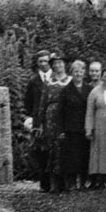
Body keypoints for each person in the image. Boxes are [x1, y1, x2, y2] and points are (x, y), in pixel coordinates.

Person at [39, 51, 72, 193]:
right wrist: (41, 123)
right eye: (55, 63)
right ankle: (53, 184)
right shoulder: (48, 83)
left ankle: (67, 183)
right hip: (51, 119)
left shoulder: (70, 81)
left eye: (60, 62)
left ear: (64, 64)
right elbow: (42, 104)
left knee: (66, 148)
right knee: (52, 150)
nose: (58, 65)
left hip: (66, 117)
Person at [57, 60, 92, 191]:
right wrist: (61, 130)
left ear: (84, 73)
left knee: (84, 155)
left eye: (80, 71)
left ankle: (83, 182)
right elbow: (60, 111)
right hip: (70, 128)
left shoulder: (89, 89)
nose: (78, 74)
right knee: (71, 157)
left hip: (85, 127)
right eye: (76, 71)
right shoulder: (66, 90)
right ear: (72, 73)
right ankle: (71, 183)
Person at [24, 49, 52, 192]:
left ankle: (56, 182)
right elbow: (28, 102)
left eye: (46, 61)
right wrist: (31, 118)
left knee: (54, 150)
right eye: (41, 61)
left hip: (53, 118)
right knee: (40, 151)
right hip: (38, 120)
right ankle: (44, 183)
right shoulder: (33, 81)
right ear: (37, 63)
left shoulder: (56, 78)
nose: (43, 64)